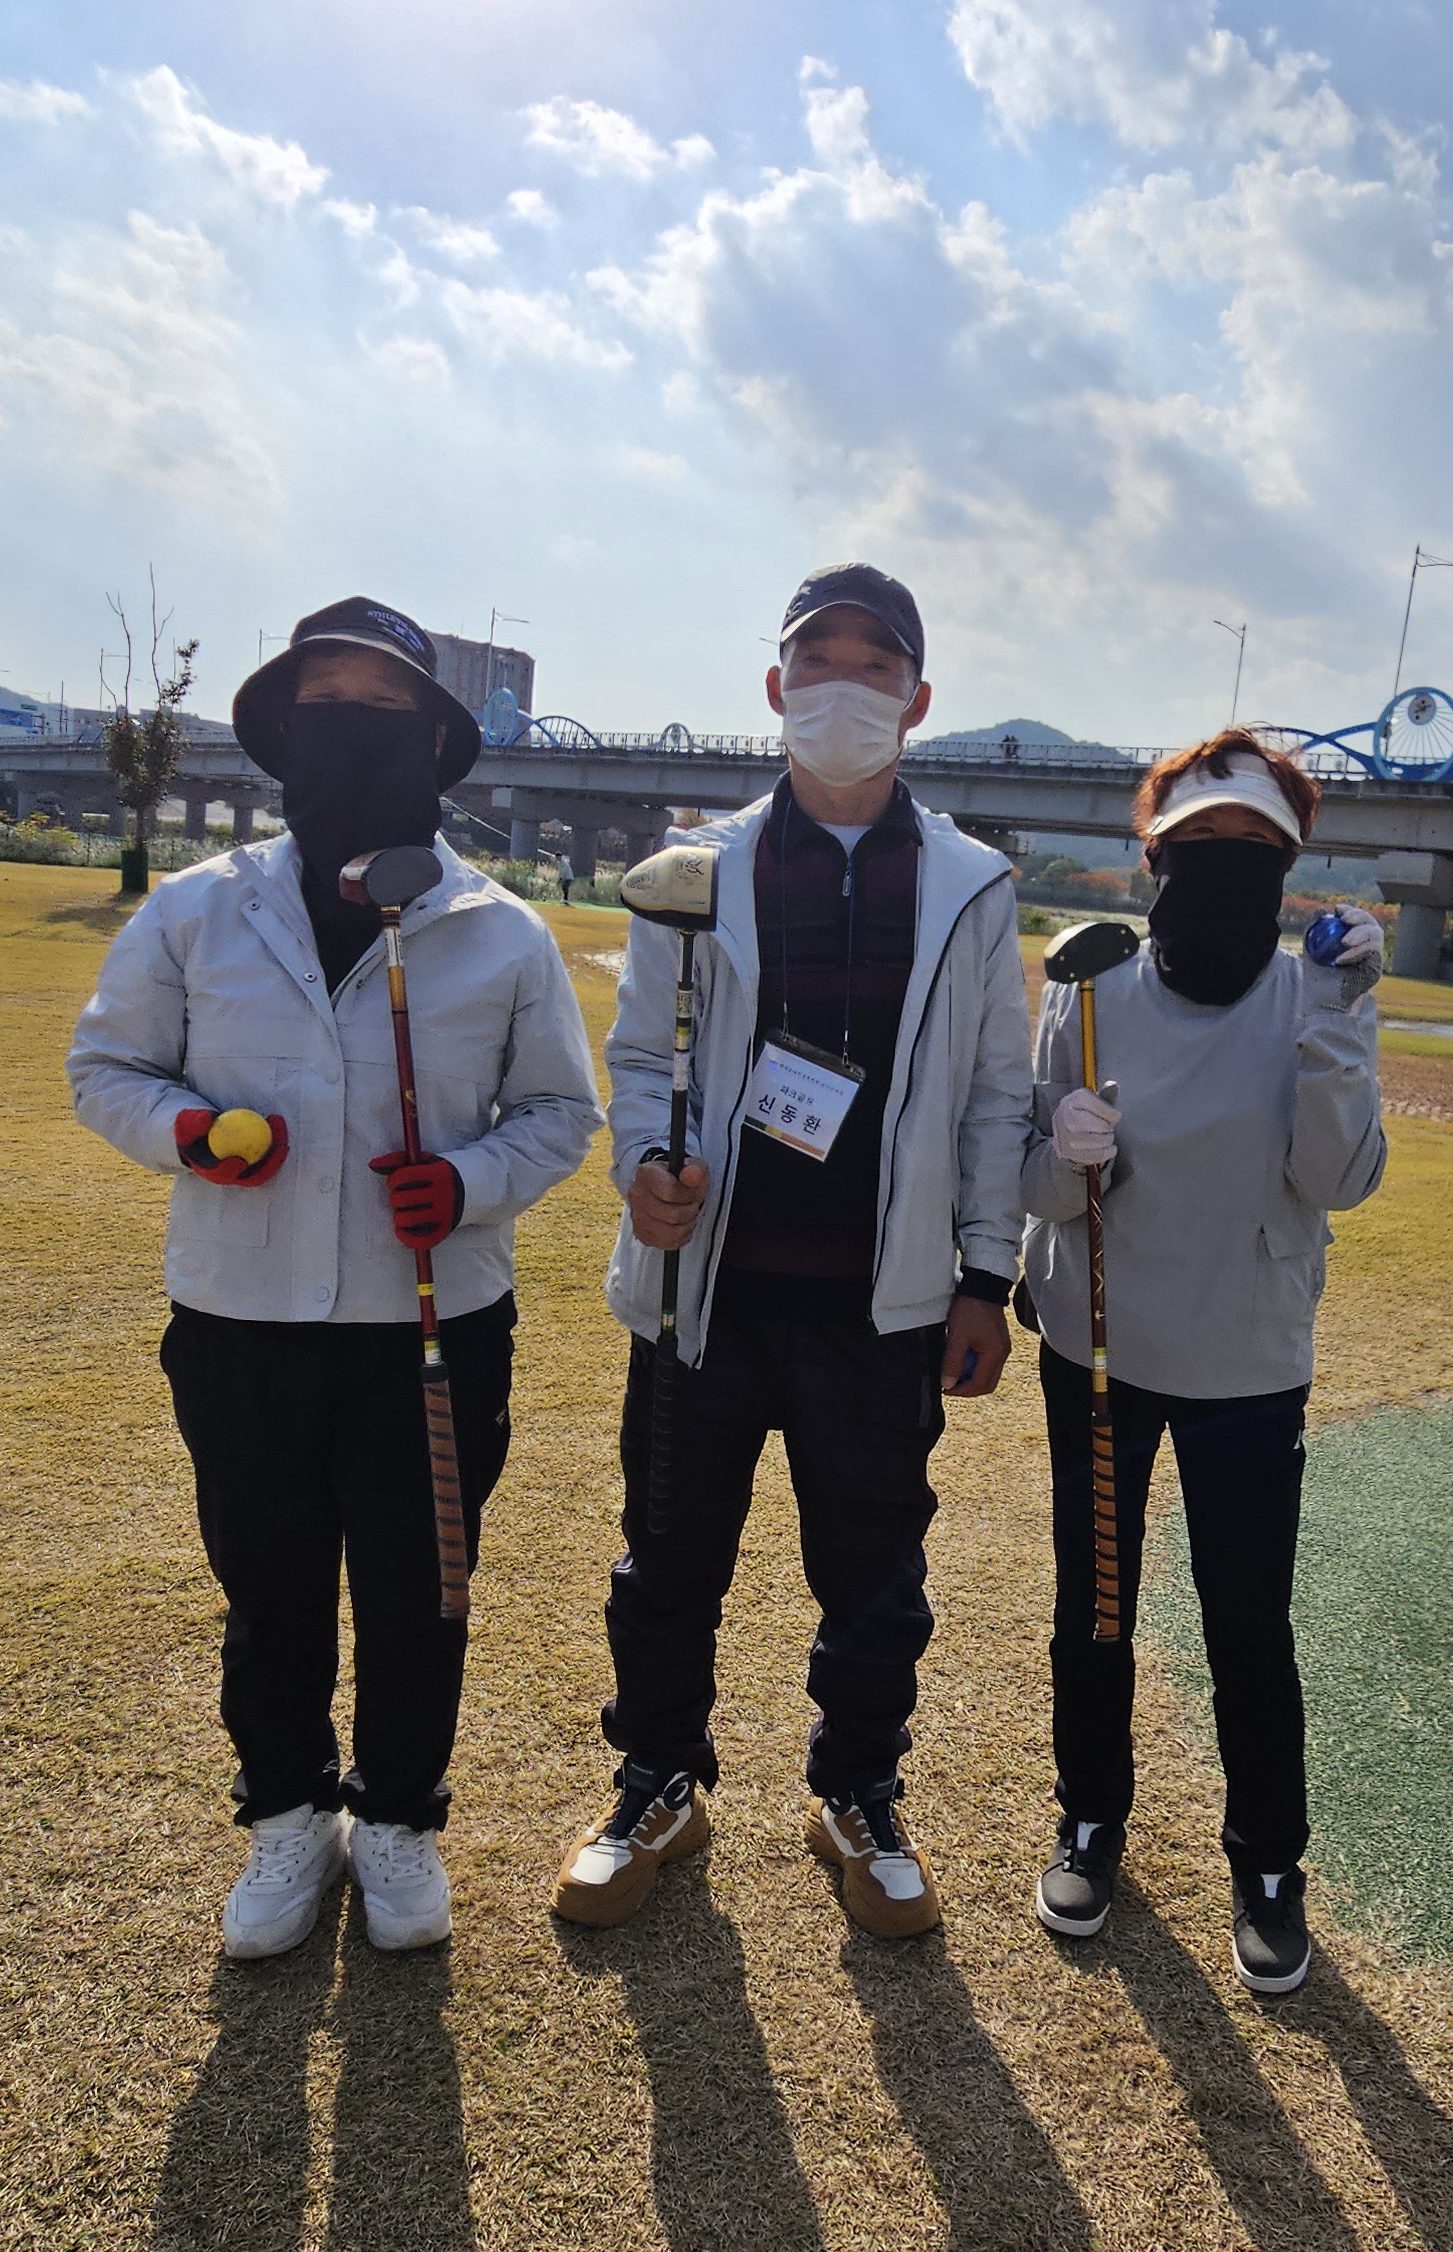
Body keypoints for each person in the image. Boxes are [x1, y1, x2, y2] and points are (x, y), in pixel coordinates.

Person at [68, 596, 599, 1961]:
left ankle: (402, 1816)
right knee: (271, 1589)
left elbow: (561, 1112)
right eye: (325, 708)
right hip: (240, 1322)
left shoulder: (502, 931)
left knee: (426, 1595)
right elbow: (107, 1068)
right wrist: (189, 1132)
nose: (352, 732)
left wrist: (469, 1182)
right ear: (281, 734)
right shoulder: (198, 910)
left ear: (432, 741)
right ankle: (288, 1813)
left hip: (434, 1331)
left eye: (383, 709)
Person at [551, 564, 1032, 1940]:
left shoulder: (972, 884)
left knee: (876, 1576)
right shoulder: (691, 872)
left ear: (917, 701)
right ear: (775, 685)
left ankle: (858, 1794)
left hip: (883, 1305)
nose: (844, 688)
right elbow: (642, 1056)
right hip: (701, 1291)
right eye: (819, 661)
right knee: (666, 1561)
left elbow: (996, 1093)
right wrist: (641, 1171)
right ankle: (657, 1782)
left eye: (876, 666)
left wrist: (984, 1277)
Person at [1016, 729, 1387, 1994]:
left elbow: (1335, 1177)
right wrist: (1064, 1156)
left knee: (1246, 1622)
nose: (1224, 859)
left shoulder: (1319, 988)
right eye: (1197, 839)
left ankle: (1269, 1862)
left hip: (1248, 1359)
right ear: (1152, 855)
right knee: (1096, 1605)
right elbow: (1033, 1189)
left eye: (1253, 842)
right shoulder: (1085, 985)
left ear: (1288, 861)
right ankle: (1088, 1818)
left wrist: (1337, 1022)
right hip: (1099, 1347)